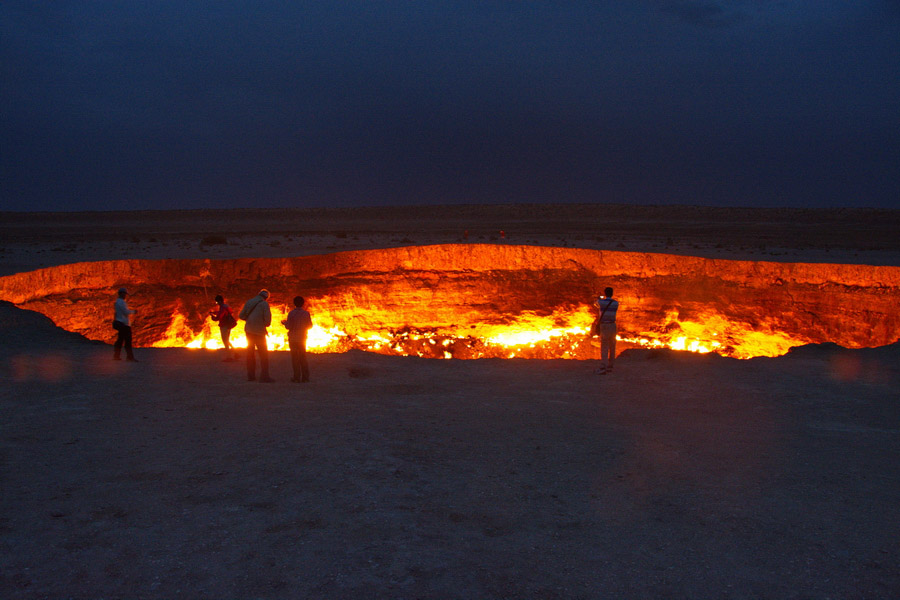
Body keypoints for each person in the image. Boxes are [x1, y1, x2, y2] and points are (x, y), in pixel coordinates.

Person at [238, 289, 273, 382]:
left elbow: (241, 316)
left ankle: (251, 376)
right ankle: (264, 376)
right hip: (259, 332)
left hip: (248, 331)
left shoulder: (249, 301)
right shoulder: (264, 304)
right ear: (266, 298)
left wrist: (250, 320)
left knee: (250, 354)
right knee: (263, 355)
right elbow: (267, 322)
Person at [282, 295, 313, 383]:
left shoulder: (291, 313)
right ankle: (305, 377)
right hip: (302, 338)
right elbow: (310, 326)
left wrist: (284, 323)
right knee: (303, 357)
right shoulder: (306, 314)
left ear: (294, 304)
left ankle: (296, 377)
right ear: (303, 304)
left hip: (293, 339)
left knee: (295, 358)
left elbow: (288, 326)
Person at [593, 287, 619, 374]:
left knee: (604, 346)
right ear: (612, 293)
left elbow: (595, 304)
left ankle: (603, 367)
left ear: (605, 293)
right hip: (613, 325)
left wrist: (599, 298)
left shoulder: (601, 302)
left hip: (604, 325)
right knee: (612, 346)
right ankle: (610, 366)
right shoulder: (616, 303)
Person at [210, 294, 238, 361]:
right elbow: (225, 313)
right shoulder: (226, 306)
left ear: (219, 301)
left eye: (216, 302)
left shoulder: (222, 307)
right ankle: (235, 353)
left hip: (224, 326)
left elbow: (219, 317)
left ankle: (229, 357)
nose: (216, 303)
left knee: (225, 341)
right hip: (228, 325)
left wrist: (212, 317)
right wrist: (215, 312)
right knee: (227, 340)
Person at [113, 287, 137, 362]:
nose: (125, 296)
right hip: (124, 324)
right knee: (128, 341)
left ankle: (116, 356)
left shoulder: (117, 302)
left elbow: (116, 313)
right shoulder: (121, 302)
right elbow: (125, 312)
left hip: (120, 323)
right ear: (122, 293)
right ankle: (129, 357)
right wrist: (133, 312)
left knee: (120, 340)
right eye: (125, 294)